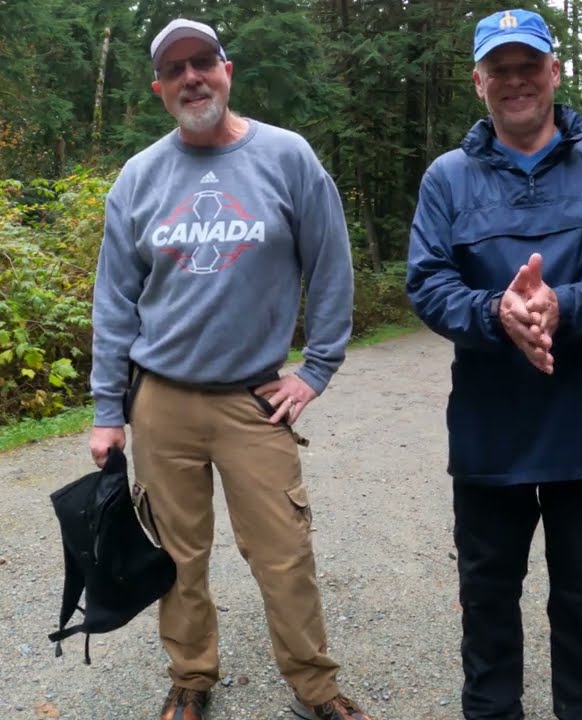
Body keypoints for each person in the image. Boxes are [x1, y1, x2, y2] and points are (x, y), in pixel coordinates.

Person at [87, 17, 374, 720]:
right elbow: (113, 300)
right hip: (161, 402)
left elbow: (331, 265)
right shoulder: (140, 177)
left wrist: (317, 367)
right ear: (159, 88)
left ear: (227, 69)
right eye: (175, 69)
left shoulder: (288, 158)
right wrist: (105, 412)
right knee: (178, 558)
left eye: (202, 62)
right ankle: (191, 678)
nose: (192, 77)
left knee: (284, 556)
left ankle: (315, 685)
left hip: (255, 400)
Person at [405, 8, 582, 720]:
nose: (516, 81)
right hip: (490, 435)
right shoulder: (447, 179)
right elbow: (427, 284)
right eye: (501, 70)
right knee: (487, 604)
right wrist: (497, 313)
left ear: (554, 71)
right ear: (479, 82)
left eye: (529, 66)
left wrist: (564, 306)